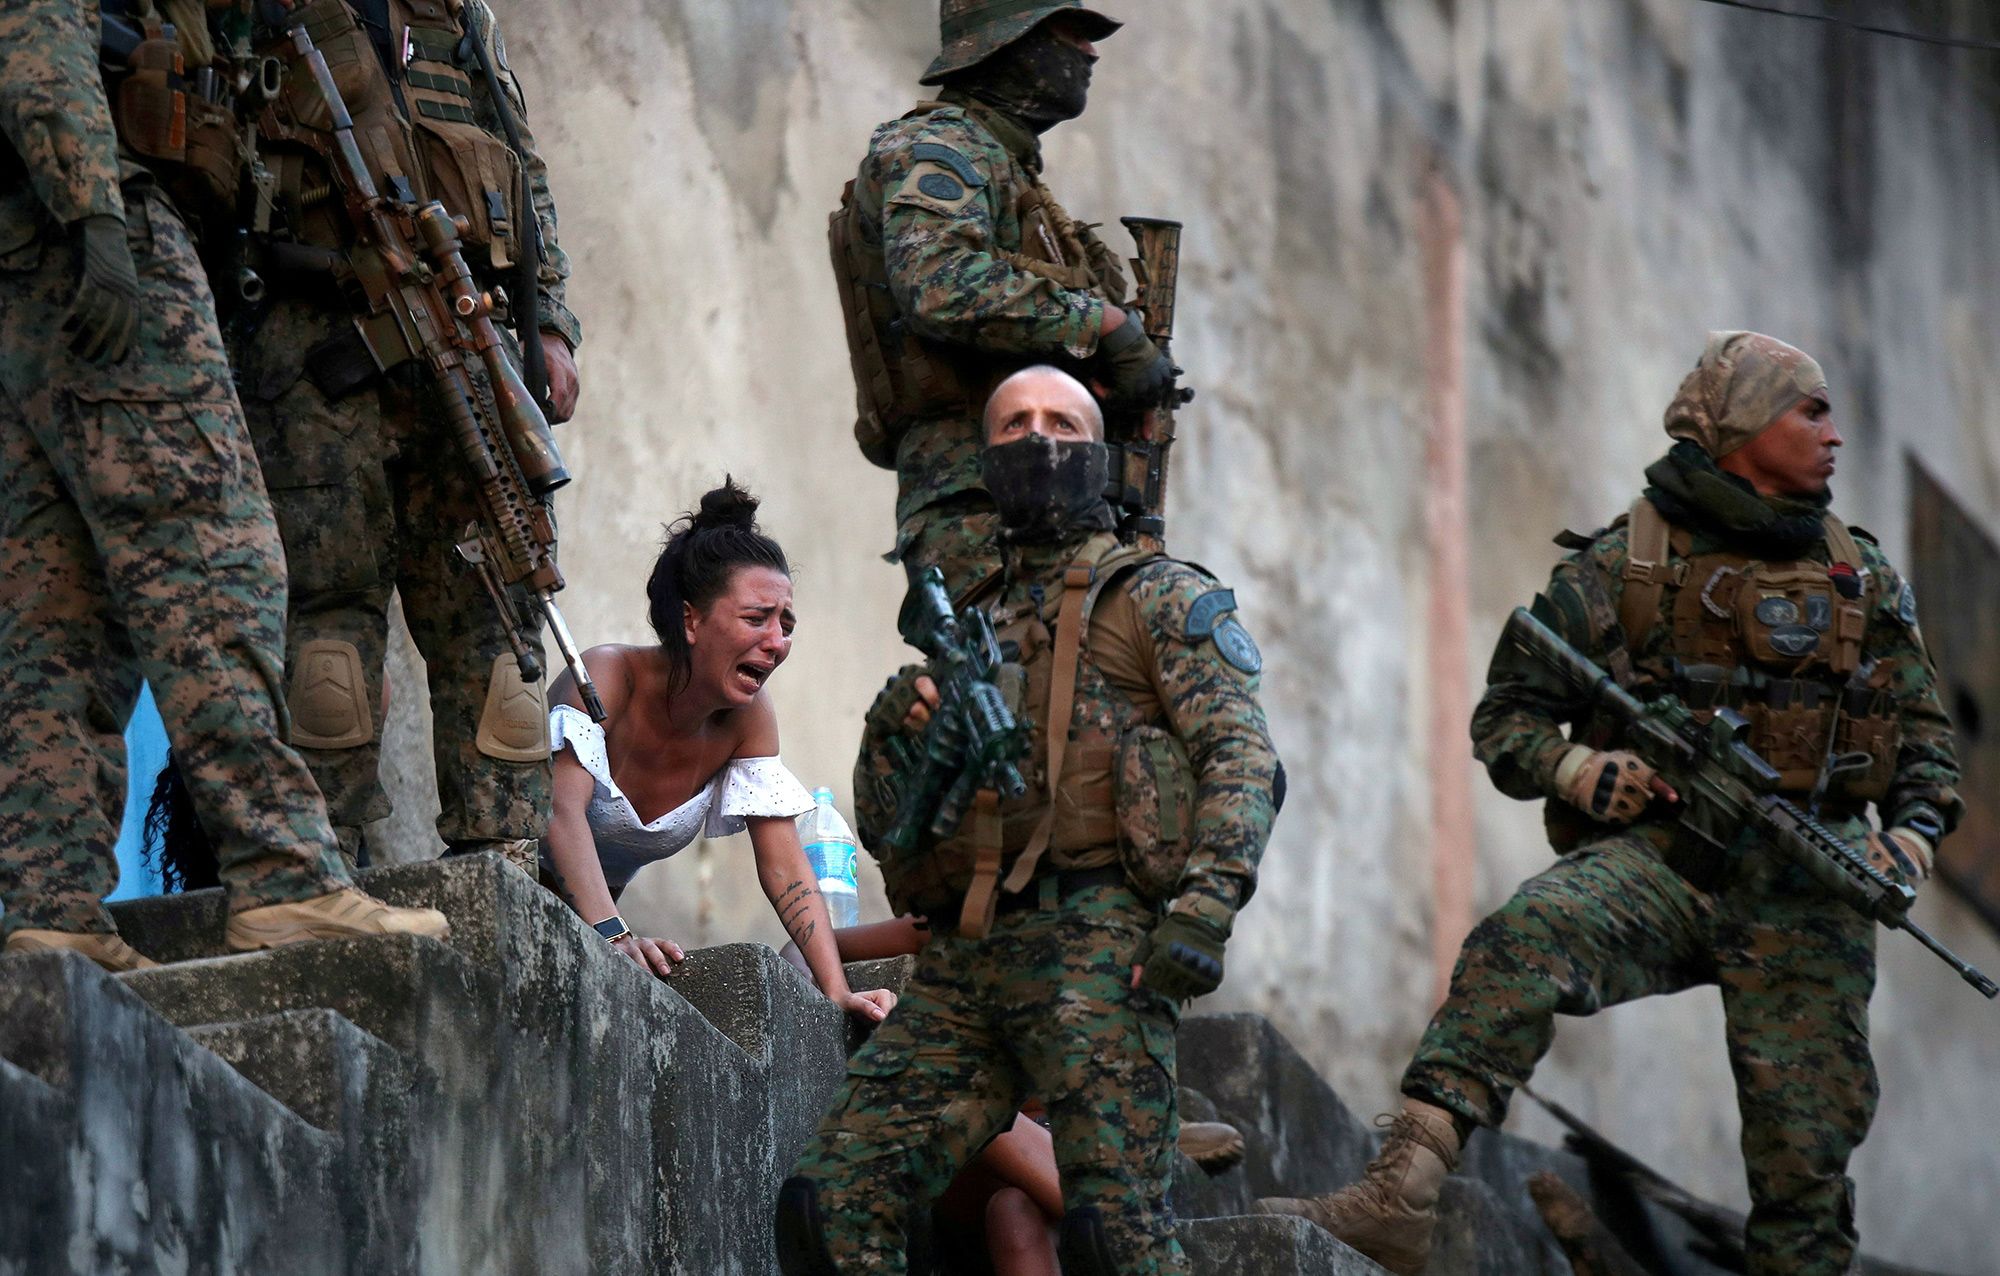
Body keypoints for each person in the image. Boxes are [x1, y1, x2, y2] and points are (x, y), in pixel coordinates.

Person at [1256, 332, 1962, 1276]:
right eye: (1811, 410)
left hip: (1810, 886)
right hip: (1667, 860)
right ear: (1746, 426)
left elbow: (1926, 744)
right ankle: (1402, 1193)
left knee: (1807, 1154)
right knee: (1524, 940)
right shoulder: (1625, 565)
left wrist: (1909, 844)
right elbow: (1507, 718)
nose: (1836, 432)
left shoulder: (1860, 577)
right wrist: (1582, 773)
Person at [776, 367, 1281, 1276]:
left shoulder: (1157, 597)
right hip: (971, 958)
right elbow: (900, 844)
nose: (1035, 439)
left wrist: (1202, 911)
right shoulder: (974, 625)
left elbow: (1241, 760)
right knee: (828, 1205)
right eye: (1011, 424)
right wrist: (898, 729)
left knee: (1114, 1238)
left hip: (1103, 942)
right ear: (983, 459)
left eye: (1059, 422)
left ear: (1102, 457)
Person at [0, 0, 447, 971]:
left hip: (28, 254)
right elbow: (36, 33)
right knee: (214, 567)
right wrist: (95, 213)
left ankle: (51, 906)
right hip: (98, 224)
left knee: (57, 609)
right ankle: (284, 875)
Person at [219, 0, 585, 871]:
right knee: (327, 609)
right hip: (313, 343)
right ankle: (324, 859)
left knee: (496, 605)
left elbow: (523, 174)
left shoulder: (459, 14)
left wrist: (553, 324)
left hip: (462, 333)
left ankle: (504, 856)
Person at [830, 0, 1177, 603]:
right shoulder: (940, 146)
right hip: (980, 502)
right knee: (1012, 687)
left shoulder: (1007, 169)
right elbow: (937, 282)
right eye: (1071, 34)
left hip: (1051, 499)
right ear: (1008, 43)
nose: (1091, 53)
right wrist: (1105, 326)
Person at [540, 482, 895, 1025]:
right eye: (757, 619)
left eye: (786, 624)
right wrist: (613, 934)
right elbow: (559, 812)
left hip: (587, 929)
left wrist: (837, 992)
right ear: (691, 620)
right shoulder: (607, 676)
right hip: (526, 904)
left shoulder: (748, 719)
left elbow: (784, 862)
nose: (777, 642)